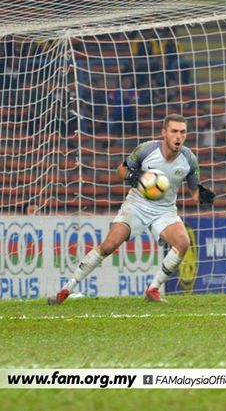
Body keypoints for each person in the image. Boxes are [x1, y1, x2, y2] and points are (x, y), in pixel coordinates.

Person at [48, 114, 216, 305]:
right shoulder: (146, 150)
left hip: (164, 210)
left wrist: (203, 196)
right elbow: (120, 171)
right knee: (109, 245)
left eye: (183, 132)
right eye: (174, 131)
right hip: (136, 206)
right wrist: (130, 174)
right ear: (164, 133)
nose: (178, 136)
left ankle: (153, 289)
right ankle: (66, 289)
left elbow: (194, 192)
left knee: (183, 242)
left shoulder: (189, 159)